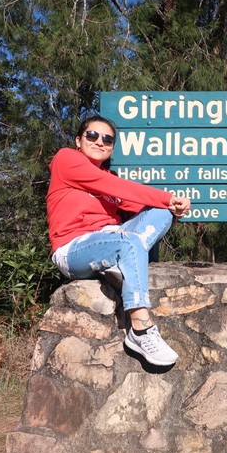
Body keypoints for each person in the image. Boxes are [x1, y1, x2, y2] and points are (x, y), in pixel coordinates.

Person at [46, 114, 191, 367]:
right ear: (78, 141)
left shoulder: (109, 180)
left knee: (158, 212)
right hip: (73, 249)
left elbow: (148, 209)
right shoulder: (66, 159)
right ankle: (140, 328)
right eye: (92, 135)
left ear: (112, 147)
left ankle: (118, 265)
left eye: (107, 139)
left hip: (114, 239)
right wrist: (167, 196)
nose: (99, 141)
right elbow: (119, 187)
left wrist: (175, 208)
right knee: (129, 240)